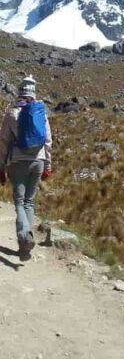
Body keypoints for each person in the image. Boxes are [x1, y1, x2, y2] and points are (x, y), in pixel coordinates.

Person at [0, 75, 52, 261]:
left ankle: (24, 235)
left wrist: (1, 167)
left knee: (20, 202)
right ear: (33, 93)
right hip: (38, 161)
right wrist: (47, 164)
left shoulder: (12, 113)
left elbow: (4, 142)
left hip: (18, 162)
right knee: (29, 202)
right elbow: (47, 141)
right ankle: (25, 249)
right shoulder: (41, 112)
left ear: (20, 91)